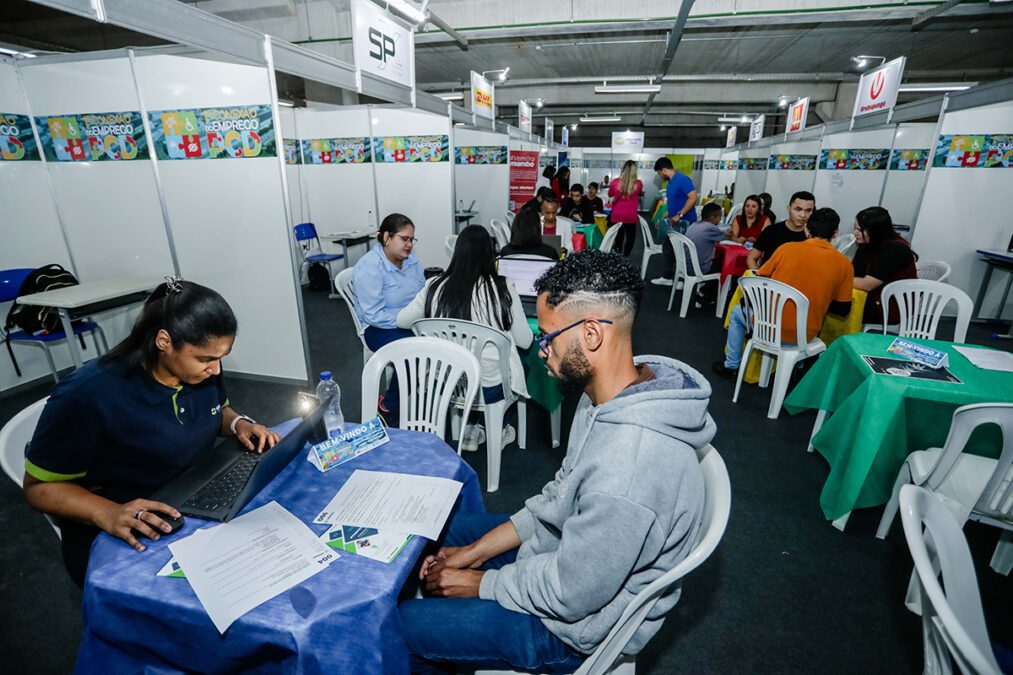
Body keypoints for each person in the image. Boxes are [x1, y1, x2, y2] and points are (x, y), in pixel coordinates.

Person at [399, 250, 712, 674]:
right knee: (434, 530)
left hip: (570, 630)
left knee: (398, 628)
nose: (541, 351)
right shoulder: (609, 394)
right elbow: (558, 499)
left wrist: (480, 582)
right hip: (566, 559)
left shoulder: (630, 470)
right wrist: (470, 554)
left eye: (547, 337)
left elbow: (570, 594)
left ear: (591, 334)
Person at [22, 279, 280, 588]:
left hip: (191, 499)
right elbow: (38, 488)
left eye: (221, 357)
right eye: (206, 359)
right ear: (164, 341)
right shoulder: (88, 396)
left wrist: (239, 423)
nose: (216, 370)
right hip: (127, 527)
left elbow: (215, 410)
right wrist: (107, 512)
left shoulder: (198, 374)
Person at [397, 225, 533, 451]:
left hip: (446, 381)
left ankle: (470, 425)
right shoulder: (502, 287)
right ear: (490, 254)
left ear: (457, 252)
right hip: (488, 385)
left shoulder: (434, 286)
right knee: (521, 366)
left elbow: (402, 320)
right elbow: (525, 341)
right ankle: (499, 427)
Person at [712, 208, 853, 377]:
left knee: (736, 313)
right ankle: (797, 365)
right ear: (836, 232)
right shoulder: (844, 264)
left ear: (807, 230)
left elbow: (761, 281)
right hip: (805, 334)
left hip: (767, 327)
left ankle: (732, 365)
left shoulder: (786, 249)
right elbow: (843, 310)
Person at [353, 213, 425, 414]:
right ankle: (389, 405)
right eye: (404, 239)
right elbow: (373, 315)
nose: (409, 245)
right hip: (377, 328)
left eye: (412, 239)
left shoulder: (411, 261)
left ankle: (427, 395)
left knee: (442, 338)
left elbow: (422, 293)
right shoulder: (369, 267)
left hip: (410, 320)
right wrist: (407, 321)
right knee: (414, 351)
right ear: (386, 237)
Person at [851, 206, 918, 327]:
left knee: (836, 304)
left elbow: (868, 284)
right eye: (855, 228)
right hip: (872, 297)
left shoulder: (895, 249)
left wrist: (836, 280)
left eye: (860, 230)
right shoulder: (868, 244)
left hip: (887, 306)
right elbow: (853, 271)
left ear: (875, 231)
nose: (855, 233)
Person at [652, 156, 699, 286]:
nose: (660, 175)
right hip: (673, 222)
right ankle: (668, 277)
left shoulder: (683, 179)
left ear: (664, 170)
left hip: (685, 222)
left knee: (682, 252)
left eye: (659, 173)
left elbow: (693, 197)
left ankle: (682, 280)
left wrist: (680, 214)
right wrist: (666, 216)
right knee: (668, 249)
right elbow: (674, 202)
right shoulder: (670, 182)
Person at [745, 191, 814, 271]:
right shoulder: (771, 230)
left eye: (808, 211)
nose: (803, 215)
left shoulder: (812, 236)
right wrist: (759, 275)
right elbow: (751, 258)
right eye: (798, 209)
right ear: (789, 209)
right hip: (768, 277)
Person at [685, 202, 727, 305]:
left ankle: (705, 292)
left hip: (686, 265)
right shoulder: (710, 228)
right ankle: (706, 293)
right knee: (723, 264)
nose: (720, 219)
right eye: (720, 216)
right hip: (699, 268)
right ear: (712, 217)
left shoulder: (693, 225)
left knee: (716, 262)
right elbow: (724, 237)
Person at [608, 160, 643, 257]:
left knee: (618, 238)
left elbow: (610, 194)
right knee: (630, 238)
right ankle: (626, 257)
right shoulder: (639, 183)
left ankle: (618, 258)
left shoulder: (615, 182)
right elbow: (638, 192)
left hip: (617, 215)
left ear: (622, 169)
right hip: (631, 216)